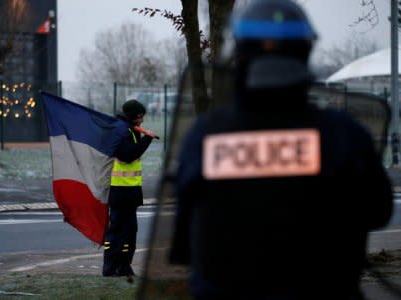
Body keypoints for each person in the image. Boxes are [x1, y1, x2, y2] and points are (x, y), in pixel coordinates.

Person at [168, 0, 394, 299]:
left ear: (240, 53)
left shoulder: (207, 137)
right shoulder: (343, 135)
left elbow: (185, 237)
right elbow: (377, 212)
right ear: (305, 50)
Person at [102, 99, 157, 277]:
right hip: (121, 191)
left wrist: (143, 137)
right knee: (117, 231)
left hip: (130, 191)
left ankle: (124, 266)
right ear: (135, 116)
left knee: (129, 232)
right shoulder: (121, 132)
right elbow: (127, 155)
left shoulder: (131, 131)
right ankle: (110, 267)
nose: (142, 121)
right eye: (141, 117)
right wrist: (147, 139)